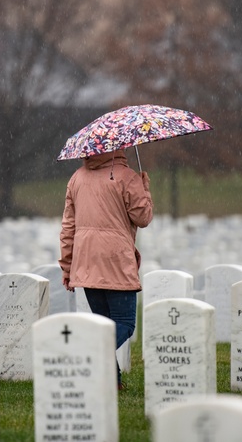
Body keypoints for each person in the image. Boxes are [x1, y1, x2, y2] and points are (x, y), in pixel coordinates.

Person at [58, 149, 153, 390]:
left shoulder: (77, 178)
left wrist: (68, 266)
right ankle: (88, 350)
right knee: (124, 323)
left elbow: (68, 226)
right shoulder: (127, 177)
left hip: (85, 260)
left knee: (103, 323)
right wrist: (144, 188)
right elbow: (143, 217)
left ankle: (113, 382)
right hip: (115, 260)